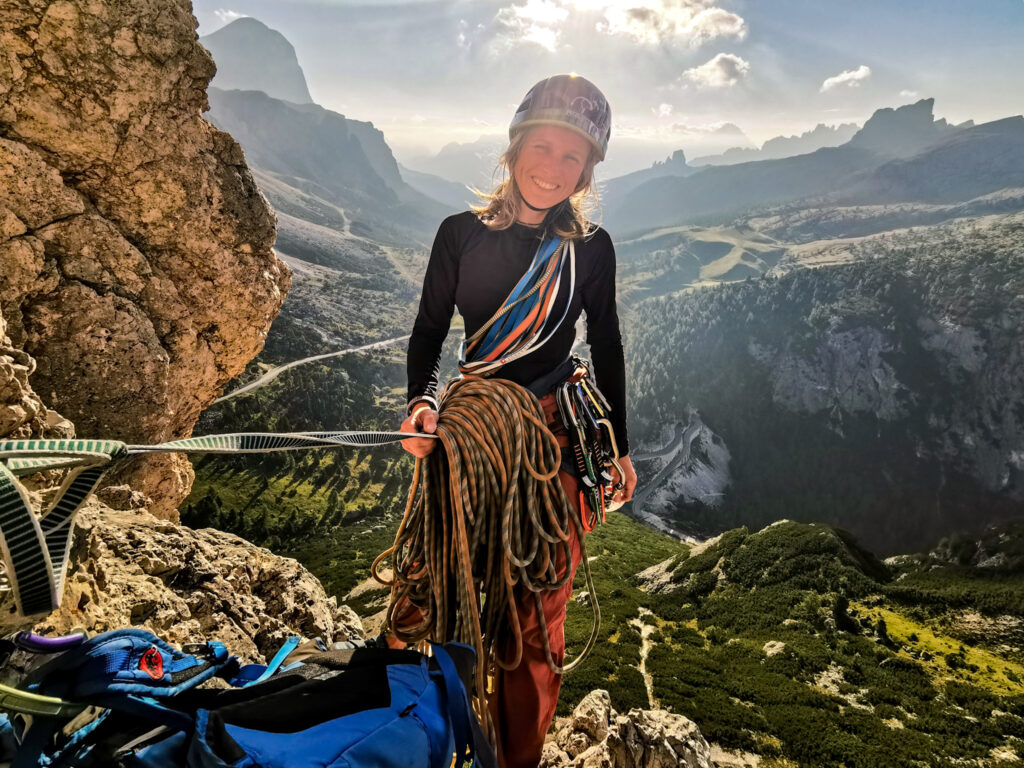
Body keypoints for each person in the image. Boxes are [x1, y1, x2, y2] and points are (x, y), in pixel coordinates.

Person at [399, 74, 637, 768]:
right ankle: (410, 733)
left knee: (536, 617)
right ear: (513, 149)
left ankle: (515, 758)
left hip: (552, 441)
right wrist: (421, 401)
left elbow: (608, 342)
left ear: (588, 172)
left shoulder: (591, 249)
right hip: (471, 435)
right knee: (428, 588)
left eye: (573, 158)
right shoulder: (460, 236)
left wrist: (619, 448)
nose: (553, 168)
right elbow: (429, 331)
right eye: (543, 146)